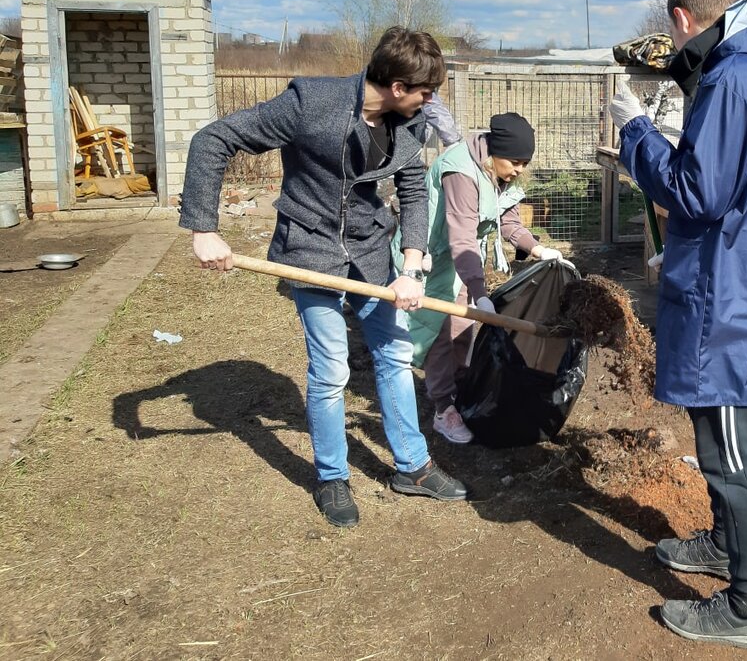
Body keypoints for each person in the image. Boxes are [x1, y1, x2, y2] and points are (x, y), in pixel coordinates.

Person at [181, 27, 469, 529]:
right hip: (309, 248)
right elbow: (214, 140)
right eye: (425, 91)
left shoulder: (410, 122)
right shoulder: (310, 102)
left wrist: (413, 262)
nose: (431, 101)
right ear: (397, 86)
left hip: (372, 250)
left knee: (395, 356)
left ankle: (413, 467)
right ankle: (333, 476)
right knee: (332, 369)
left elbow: (413, 191)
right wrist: (204, 228)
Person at [608, 0, 747, 649]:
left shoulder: (732, 81)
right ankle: (726, 547)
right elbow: (745, 188)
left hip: (731, 301)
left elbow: (696, 193)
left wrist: (637, 132)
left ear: (683, 20)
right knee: (718, 434)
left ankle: (745, 610)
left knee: (732, 454)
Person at [399, 111, 570, 444]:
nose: (520, 169)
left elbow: (509, 222)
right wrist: (480, 291)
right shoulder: (461, 171)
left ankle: (461, 389)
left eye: (525, 162)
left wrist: (536, 249)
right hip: (430, 257)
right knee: (439, 335)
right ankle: (443, 410)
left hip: (461, 261)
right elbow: (461, 236)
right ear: (496, 153)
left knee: (461, 331)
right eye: (516, 161)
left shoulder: (500, 171)